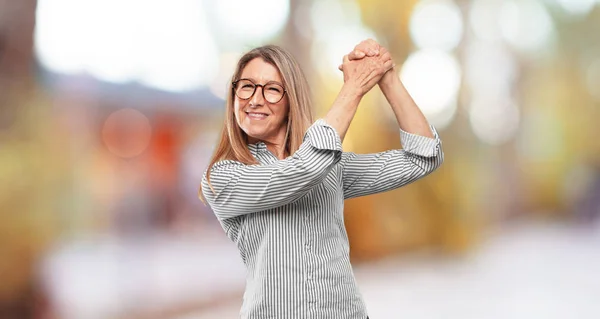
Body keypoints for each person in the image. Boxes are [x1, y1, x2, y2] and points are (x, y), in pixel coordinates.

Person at [200, 39, 444, 319]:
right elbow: (302, 171)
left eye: (271, 90)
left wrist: (384, 74)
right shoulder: (222, 177)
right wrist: (353, 88)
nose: (255, 99)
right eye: (246, 86)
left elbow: (422, 157)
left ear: (291, 100)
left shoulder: (331, 165)